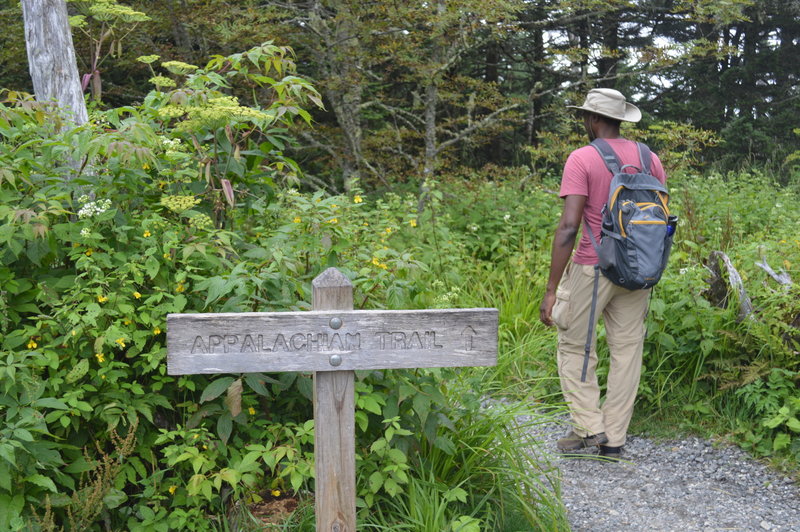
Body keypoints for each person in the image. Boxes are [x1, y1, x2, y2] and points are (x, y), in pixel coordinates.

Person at [539, 88, 667, 460]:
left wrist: (551, 289)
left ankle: (589, 427)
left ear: (594, 119)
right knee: (627, 350)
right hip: (639, 268)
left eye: (585, 116)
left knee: (575, 345)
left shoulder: (582, 158)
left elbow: (568, 226)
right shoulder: (649, 157)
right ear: (621, 118)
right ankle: (613, 439)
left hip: (594, 266)